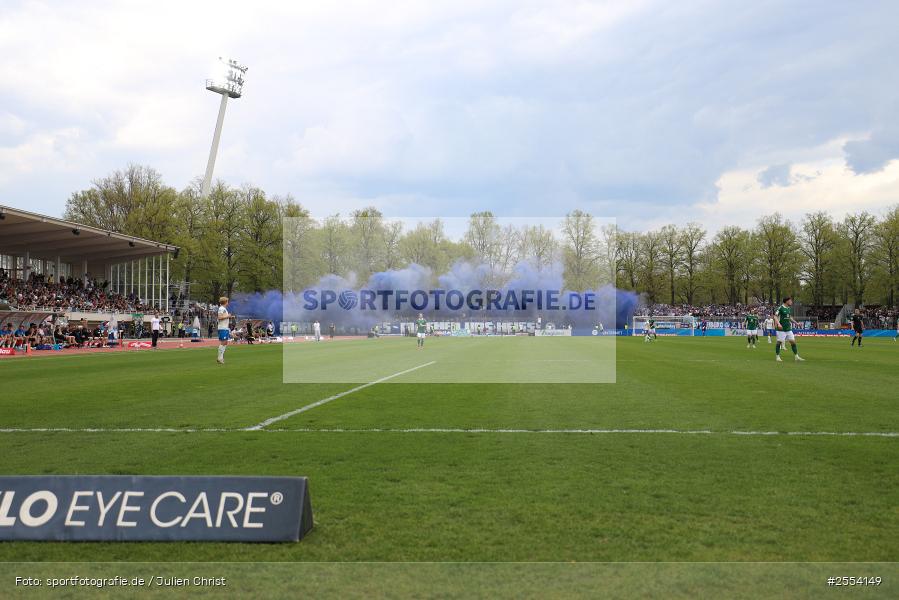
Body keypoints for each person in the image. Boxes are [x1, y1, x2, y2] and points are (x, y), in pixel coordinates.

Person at [774, 297, 804, 362]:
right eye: (790, 301)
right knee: (779, 342)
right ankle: (777, 356)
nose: (791, 302)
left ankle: (796, 356)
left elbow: (789, 317)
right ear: (786, 301)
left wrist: (796, 323)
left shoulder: (788, 308)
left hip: (788, 328)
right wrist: (778, 324)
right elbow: (775, 316)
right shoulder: (780, 308)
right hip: (781, 329)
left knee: (793, 342)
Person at [216, 297, 232, 364]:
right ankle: (219, 358)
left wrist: (229, 317)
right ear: (225, 302)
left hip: (225, 327)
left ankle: (221, 358)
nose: (228, 302)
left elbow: (223, 317)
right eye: (227, 301)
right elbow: (219, 317)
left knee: (225, 342)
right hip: (222, 328)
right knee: (223, 342)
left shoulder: (224, 309)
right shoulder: (221, 308)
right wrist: (227, 316)